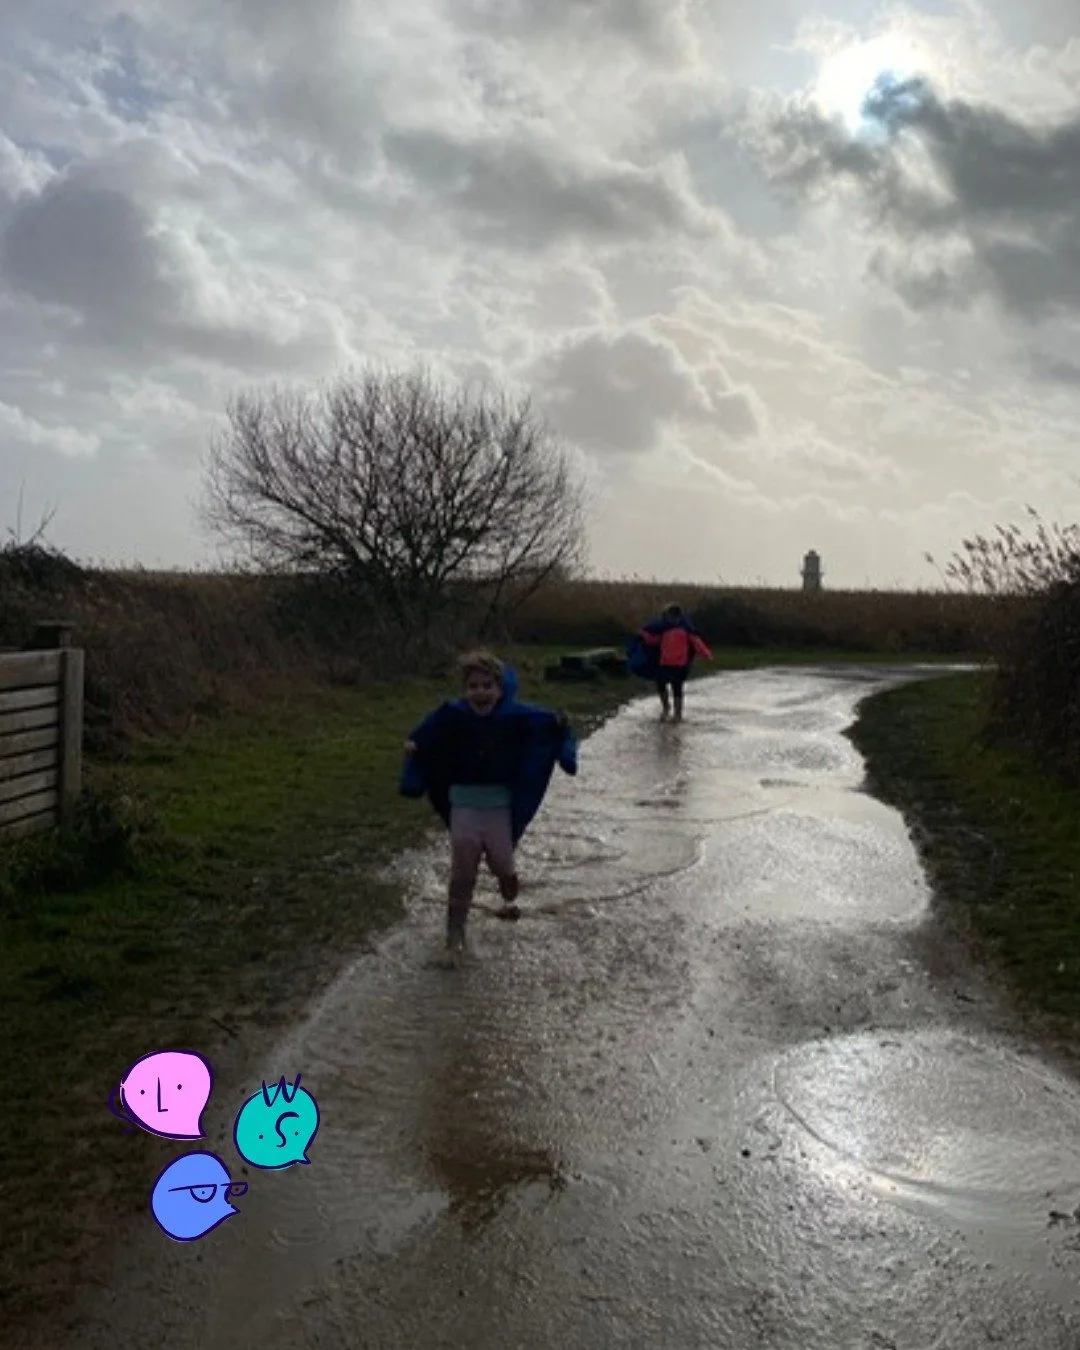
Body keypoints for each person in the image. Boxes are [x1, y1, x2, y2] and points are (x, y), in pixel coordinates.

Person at [399, 650, 577, 960]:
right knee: (462, 872)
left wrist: (561, 727)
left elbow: (549, 726)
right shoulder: (452, 714)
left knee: (500, 864)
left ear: (500, 689)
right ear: (464, 689)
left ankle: (508, 882)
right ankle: (454, 936)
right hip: (463, 806)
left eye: (487, 686)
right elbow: (425, 733)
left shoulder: (516, 717)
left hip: (499, 809)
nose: (480, 693)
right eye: (473, 687)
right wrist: (414, 745)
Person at [636, 602, 713, 722]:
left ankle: (678, 714)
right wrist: (643, 634)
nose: (673, 619)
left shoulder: (686, 630)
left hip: (680, 664)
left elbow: (697, 643)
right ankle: (666, 707)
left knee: (677, 688)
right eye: (670, 617)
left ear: (679, 617)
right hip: (664, 662)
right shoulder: (663, 630)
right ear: (666, 617)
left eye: (675, 617)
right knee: (661, 685)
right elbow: (654, 641)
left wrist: (706, 654)